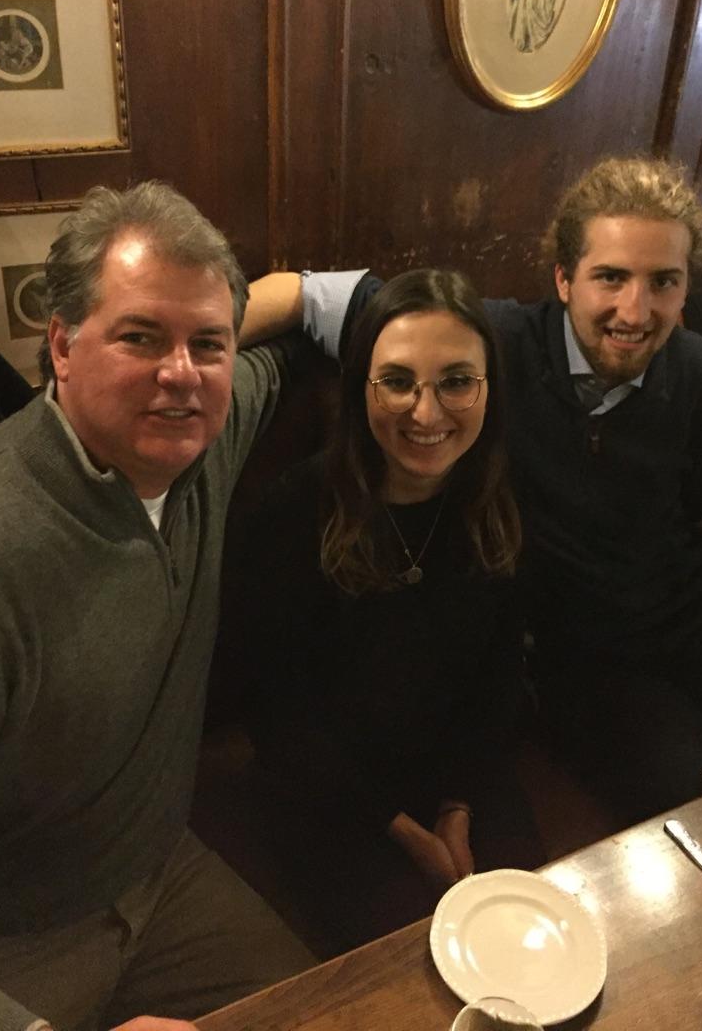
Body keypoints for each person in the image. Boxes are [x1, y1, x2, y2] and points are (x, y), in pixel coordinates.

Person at [263, 156, 702, 821]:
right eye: (611, 277)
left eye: (663, 281)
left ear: (687, 286)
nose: (635, 310)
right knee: (690, 801)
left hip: (697, 615)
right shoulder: (488, 345)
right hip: (583, 652)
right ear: (563, 278)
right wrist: (199, 360)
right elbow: (307, 294)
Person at [0, 181, 314, 1031]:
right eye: (140, 337)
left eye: (206, 345)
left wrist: (366, 301)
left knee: (332, 1012)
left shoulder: (202, 443)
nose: (180, 375)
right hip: (6, 943)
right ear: (62, 346)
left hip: (160, 877)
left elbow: (292, 326)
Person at [237, 269, 541, 952]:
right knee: (416, 965)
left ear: (489, 390)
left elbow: (498, 681)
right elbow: (279, 719)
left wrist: (460, 805)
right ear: (361, 390)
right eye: (398, 381)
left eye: (456, 381)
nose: (426, 414)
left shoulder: (498, 499)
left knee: (531, 940)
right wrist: (401, 828)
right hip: (328, 799)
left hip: (463, 774)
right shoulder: (293, 512)